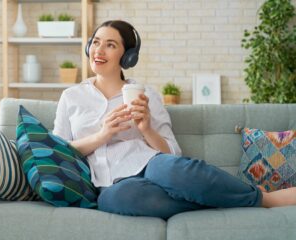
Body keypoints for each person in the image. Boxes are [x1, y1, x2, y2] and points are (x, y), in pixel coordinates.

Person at [53, 20, 296, 219]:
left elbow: (172, 152)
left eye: (110, 45)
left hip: (151, 165)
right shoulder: (71, 97)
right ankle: (232, 197)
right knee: (117, 199)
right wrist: (102, 135)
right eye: (95, 42)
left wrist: (146, 128)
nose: (99, 50)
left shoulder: (145, 94)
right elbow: (59, 150)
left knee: (173, 171)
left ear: (127, 57)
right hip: (108, 184)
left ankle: (265, 199)